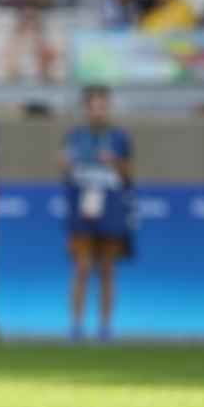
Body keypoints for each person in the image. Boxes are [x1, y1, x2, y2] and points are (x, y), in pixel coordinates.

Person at [61, 85, 133, 342]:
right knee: (81, 267)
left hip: (110, 206)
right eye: (94, 106)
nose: (98, 111)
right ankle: (76, 325)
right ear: (86, 108)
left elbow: (128, 174)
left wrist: (113, 161)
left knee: (107, 269)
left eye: (103, 106)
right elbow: (65, 170)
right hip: (82, 207)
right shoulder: (74, 136)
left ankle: (105, 326)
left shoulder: (119, 137)